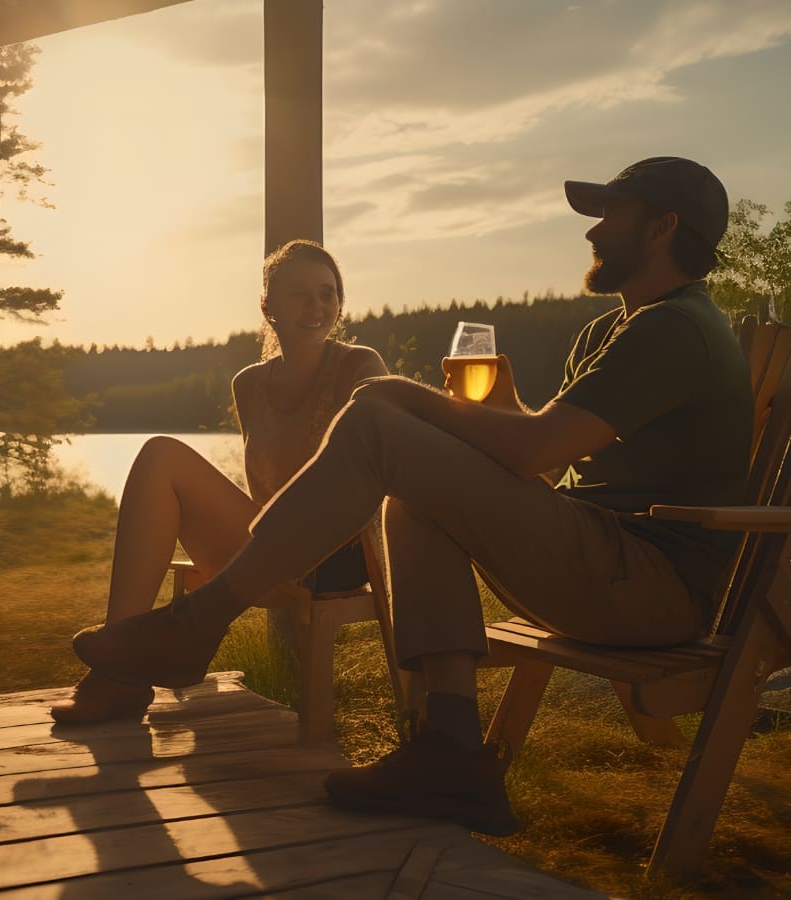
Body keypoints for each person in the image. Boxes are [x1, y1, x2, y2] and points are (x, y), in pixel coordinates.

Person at [72, 156, 753, 836]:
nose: (593, 232)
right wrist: (510, 411)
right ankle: (450, 750)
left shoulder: (676, 327)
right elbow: (548, 462)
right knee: (411, 496)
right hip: (603, 561)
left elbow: (536, 451)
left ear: (662, 227)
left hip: (652, 590)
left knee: (377, 419)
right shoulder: (616, 330)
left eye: (610, 215)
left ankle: (199, 621)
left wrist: (414, 398)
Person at [50, 239, 388, 724]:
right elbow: (263, 488)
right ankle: (122, 666)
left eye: (327, 293)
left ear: (340, 302)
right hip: (269, 548)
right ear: (267, 306)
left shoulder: (359, 366)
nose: (316, 307)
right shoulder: (249, 383)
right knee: (159, 457)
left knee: (162, 455)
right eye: (299, 294)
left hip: (336, 553)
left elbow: (363, 482)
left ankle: (118, 671)